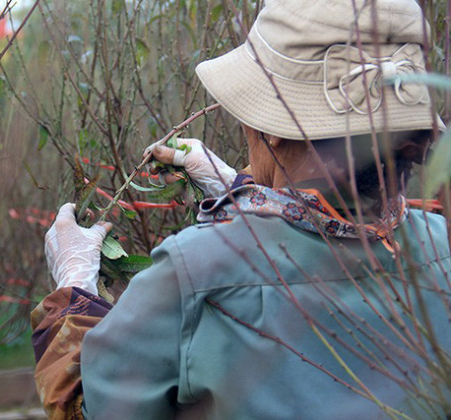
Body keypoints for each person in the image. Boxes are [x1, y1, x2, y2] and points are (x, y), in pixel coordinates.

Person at [32, 0, 451, 419]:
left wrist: (74, 294)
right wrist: (244, 192)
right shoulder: (441, 248)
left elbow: (96, 409)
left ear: (270, 127)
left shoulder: (193, 275)